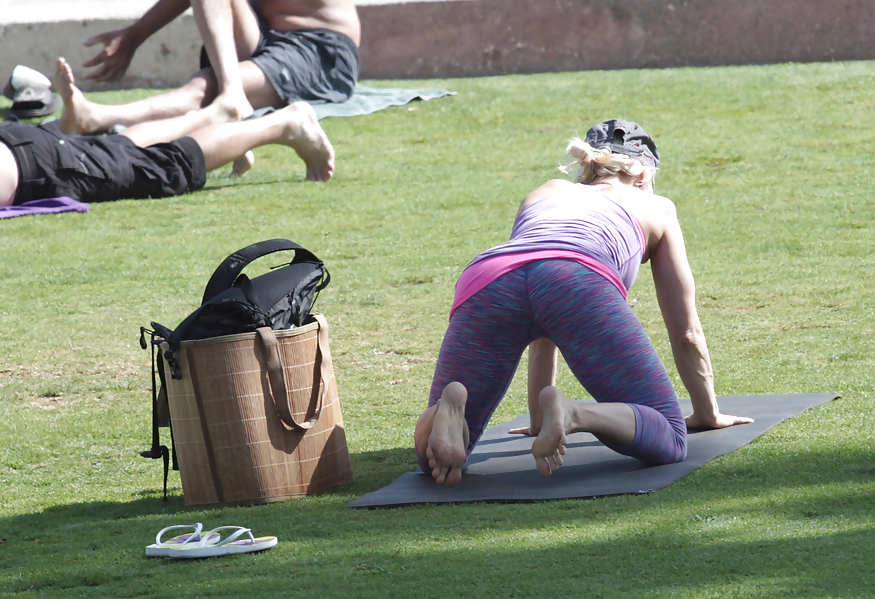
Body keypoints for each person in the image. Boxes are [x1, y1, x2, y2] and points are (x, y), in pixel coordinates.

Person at [413, 119, 754, 487]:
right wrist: (706, 413)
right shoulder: (656, 206)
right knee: (670, 437)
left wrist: (538, 418)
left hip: (489, 277)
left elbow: (538, 316)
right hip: (574, 277)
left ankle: (447, 410)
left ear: (587, 167)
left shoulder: (547, 190)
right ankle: (575, 414)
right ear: (644, 175)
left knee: (434, 464)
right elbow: (685, 331)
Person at [1, 59, 335, 208]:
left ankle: (284, 124)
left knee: (167, 167)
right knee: (119, 151)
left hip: (38, 164)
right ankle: (213, 116)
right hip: (28, 151)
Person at [57, 0, 360, 137]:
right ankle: (232, 93)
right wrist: (133, 36)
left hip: (319, 49)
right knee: (209, 87)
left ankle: (97, 117)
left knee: (203, 88)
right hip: (264, 33)